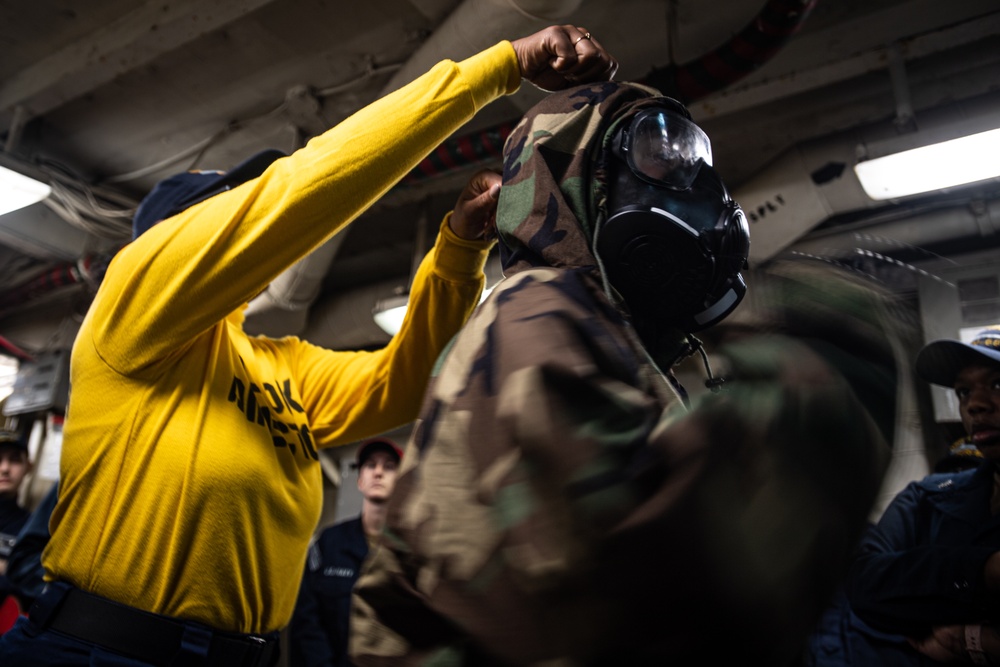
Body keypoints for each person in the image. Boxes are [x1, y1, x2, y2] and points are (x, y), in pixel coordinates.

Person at [0, 26, 618, 667]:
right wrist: (500, 68)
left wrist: (460, 251)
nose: (253, 210)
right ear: (177, 235)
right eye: (234, 204)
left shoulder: (280, 363)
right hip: (96, 651)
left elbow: (404, 385)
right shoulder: (133, 304)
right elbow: (296, 196)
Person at [351, 81, 906, 665]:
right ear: (576, 181)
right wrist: (822, 377)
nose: (691, 187)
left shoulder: (609, 337)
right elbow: (635, 593)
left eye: (691, 162)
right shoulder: (535, 311)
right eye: (657, 158)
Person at [845, 326, 1000, 665]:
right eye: (963, 392)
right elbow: (866, 584)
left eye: (997, 384)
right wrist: (986, 572)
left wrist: (968, 638)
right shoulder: (927, 497)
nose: (975, 404)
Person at [290, 438, 402, 667]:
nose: (378, 472)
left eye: (389, 466)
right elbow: (306, 619)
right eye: (371, 465)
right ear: (360, 481)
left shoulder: (410, 550)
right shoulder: (330, 542)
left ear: (400, 481)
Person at [0, 430, 31, 634]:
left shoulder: (31, 527)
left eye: (14, 460)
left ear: (29, 467)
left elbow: (29, 589)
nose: (5, 469)